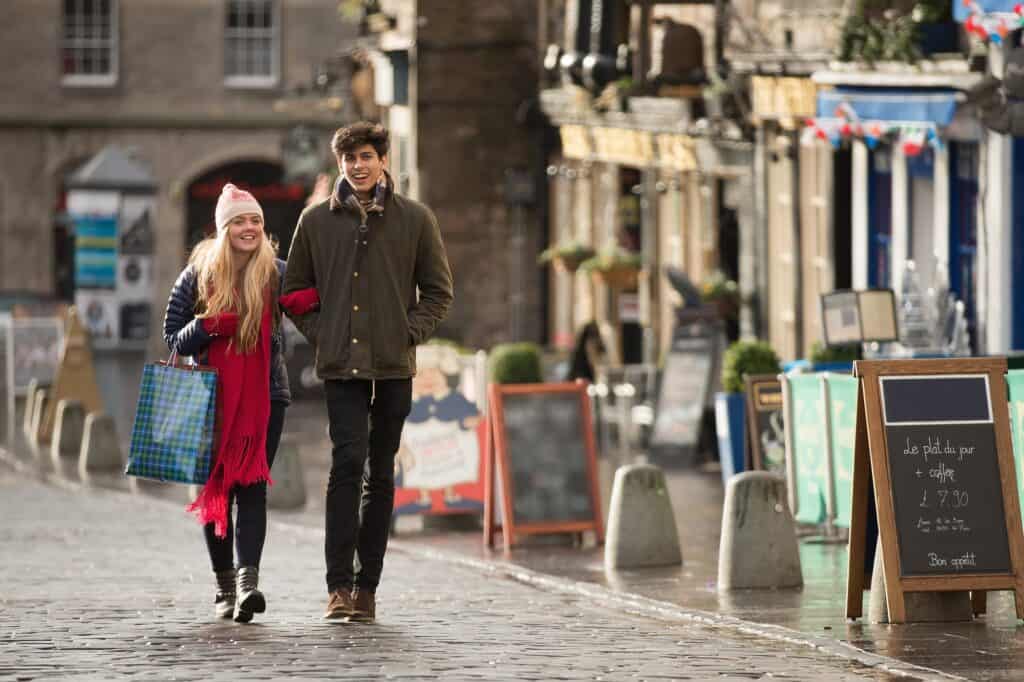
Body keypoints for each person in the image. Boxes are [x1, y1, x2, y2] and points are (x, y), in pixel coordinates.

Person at [281, 121, 453, 623]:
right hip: (341, 369)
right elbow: (294, 291)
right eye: (349, 159)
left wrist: (407, 332)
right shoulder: (315, 222)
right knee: (346, 467)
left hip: (394, 367)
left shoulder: (416, 220)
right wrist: (325, 333)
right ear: (340, 165)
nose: (358, 166)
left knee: (381, 475)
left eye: (366, 157)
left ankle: (367, 588)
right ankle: (337, 587)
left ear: (383, 161)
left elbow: (439, 293)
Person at [163, 183, 290, 624]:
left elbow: (308, 305)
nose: (249, 228)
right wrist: (209, 325)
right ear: (223, 229)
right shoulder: (198, 274)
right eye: (240, 221)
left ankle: (247, 585)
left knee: (252, 488)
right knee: (216, 491)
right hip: (210, 398)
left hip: (266, 398)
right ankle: (224, 586)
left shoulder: (276, 272)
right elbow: (173, 336)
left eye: (255, 220)